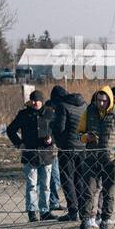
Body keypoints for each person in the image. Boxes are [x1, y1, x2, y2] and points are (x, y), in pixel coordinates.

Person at [77, 85, 115, 229]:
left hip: (110, 161)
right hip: (90, 159)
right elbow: (79, 133)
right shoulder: (89, 112)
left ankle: (105, 220)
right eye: (98, 100)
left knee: (108, 192)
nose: (101, 103)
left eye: (104, 100)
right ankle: (86, 221)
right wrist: (85, 137)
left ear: (109, 100)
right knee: (88, 191)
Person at [5, 90, 57, 222]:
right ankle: (32, 212)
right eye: (32, 100)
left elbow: (58, 130)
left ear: (42, 101)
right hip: (30, 155)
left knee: (46, 185)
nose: (34, 102)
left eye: (37, 100)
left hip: (46, 155)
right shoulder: (24, 114)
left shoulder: (50, 113)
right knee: (32, 185)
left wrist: (52, 140)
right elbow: (11, 130)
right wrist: (19, 143)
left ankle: (45, 212)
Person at [48, 84, 86, 221]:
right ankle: (83, 211)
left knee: (67, 180)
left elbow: (59, 128)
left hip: (67, 149)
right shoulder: (83, 104)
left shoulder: (62, 106)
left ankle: (72, 211)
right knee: (80, 179)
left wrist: (51, 126)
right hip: (83, 147)